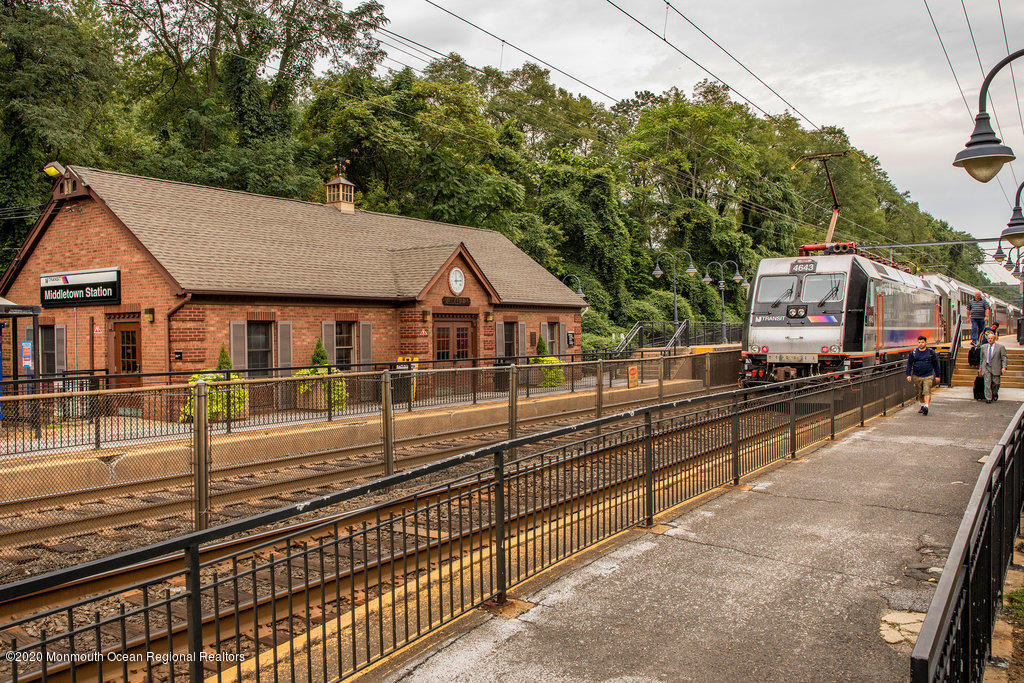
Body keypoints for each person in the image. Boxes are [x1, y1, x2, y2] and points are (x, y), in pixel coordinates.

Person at [906, 335, 940, 415]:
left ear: (926, 343)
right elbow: (909, 364)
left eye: (922, 342)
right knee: (919, 392)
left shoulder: (931, 353)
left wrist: (938, 376)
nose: (921, 344)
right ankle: (922, 405)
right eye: (919, 342)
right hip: (916, 375)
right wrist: (908, 374)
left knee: (927, 391)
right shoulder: (913, 353)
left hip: (928, 375)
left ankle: (926, 407)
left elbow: (936, 364)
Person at [979, 329, 1007, 403]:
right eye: (989, 338)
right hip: (986, 367)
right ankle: (988, 398)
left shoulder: (1000, 347)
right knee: (987, 383)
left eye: (991, 338)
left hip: (996, 367)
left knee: (996, 383)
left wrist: (1004, 367)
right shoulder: (983, 347)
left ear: (994, 339)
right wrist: (980, 368)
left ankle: (994, 393)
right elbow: (981, 359)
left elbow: (1003, 358)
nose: (990, 340)